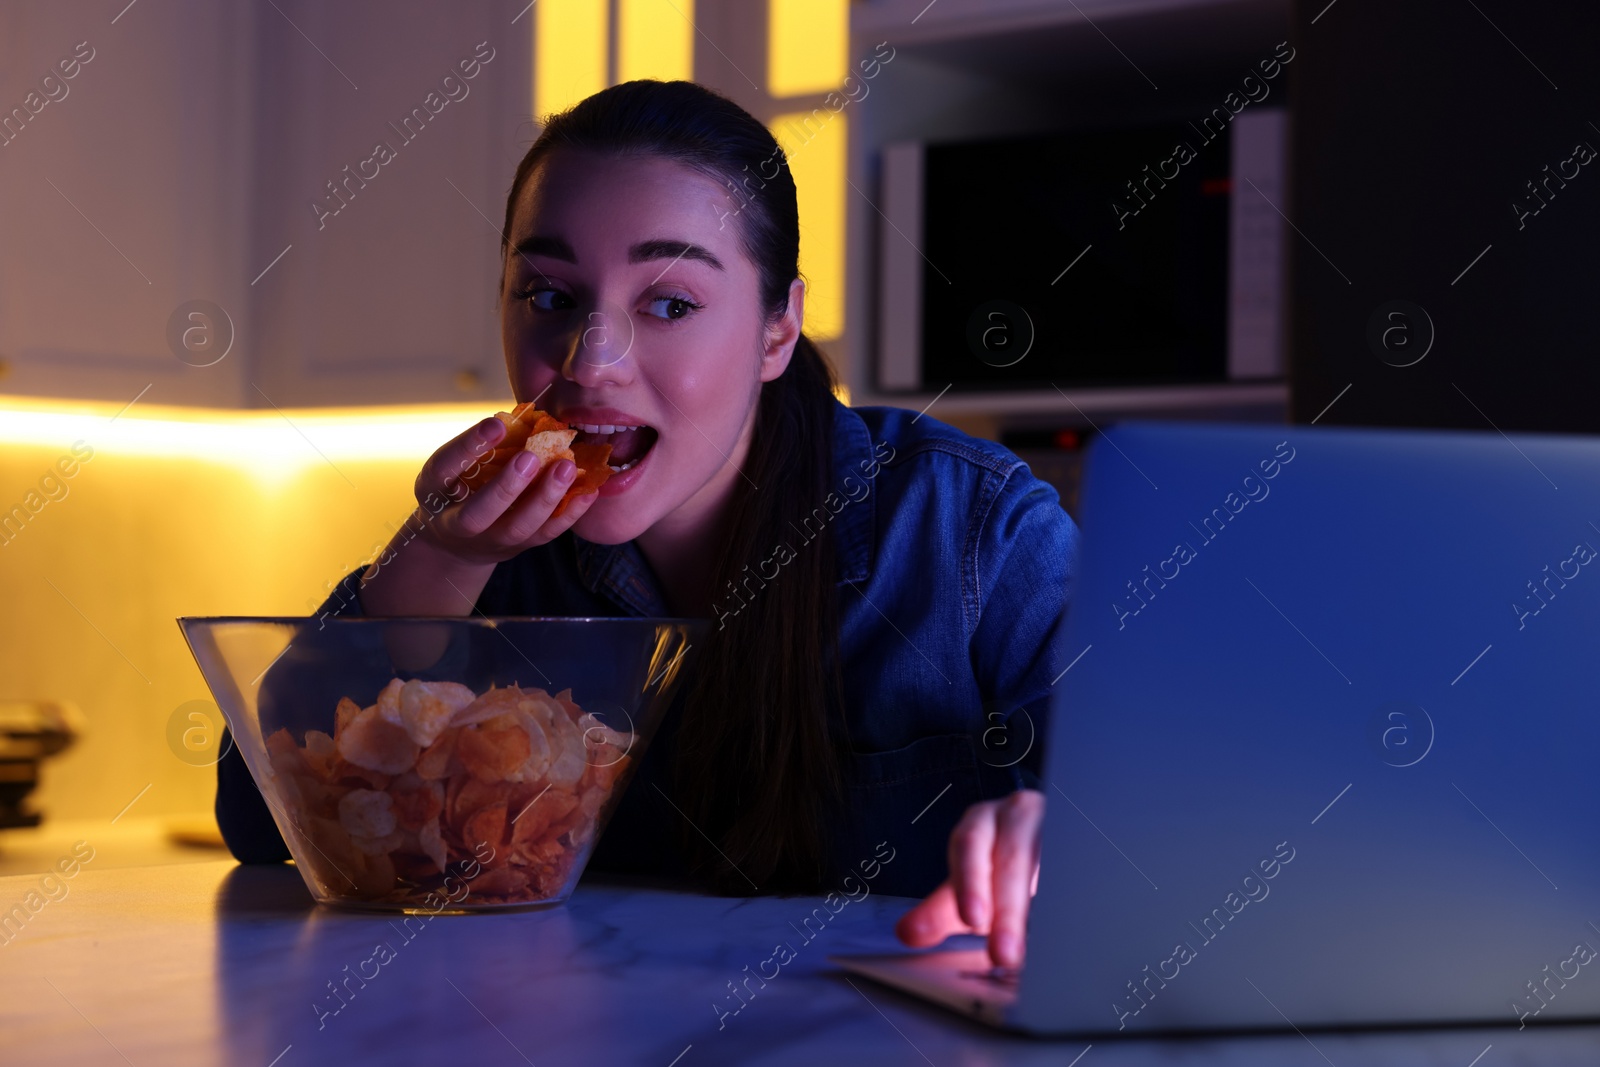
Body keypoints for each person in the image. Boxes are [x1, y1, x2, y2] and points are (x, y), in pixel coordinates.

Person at [215, 79, 1077, 970]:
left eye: (669, 304)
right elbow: (261, 819)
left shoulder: (975, 532)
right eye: (549, 296)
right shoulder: (492, 562)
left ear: (779, 329)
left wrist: (1071, 827)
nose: (590, 361)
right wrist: (437, 553)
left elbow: (1182, 818)